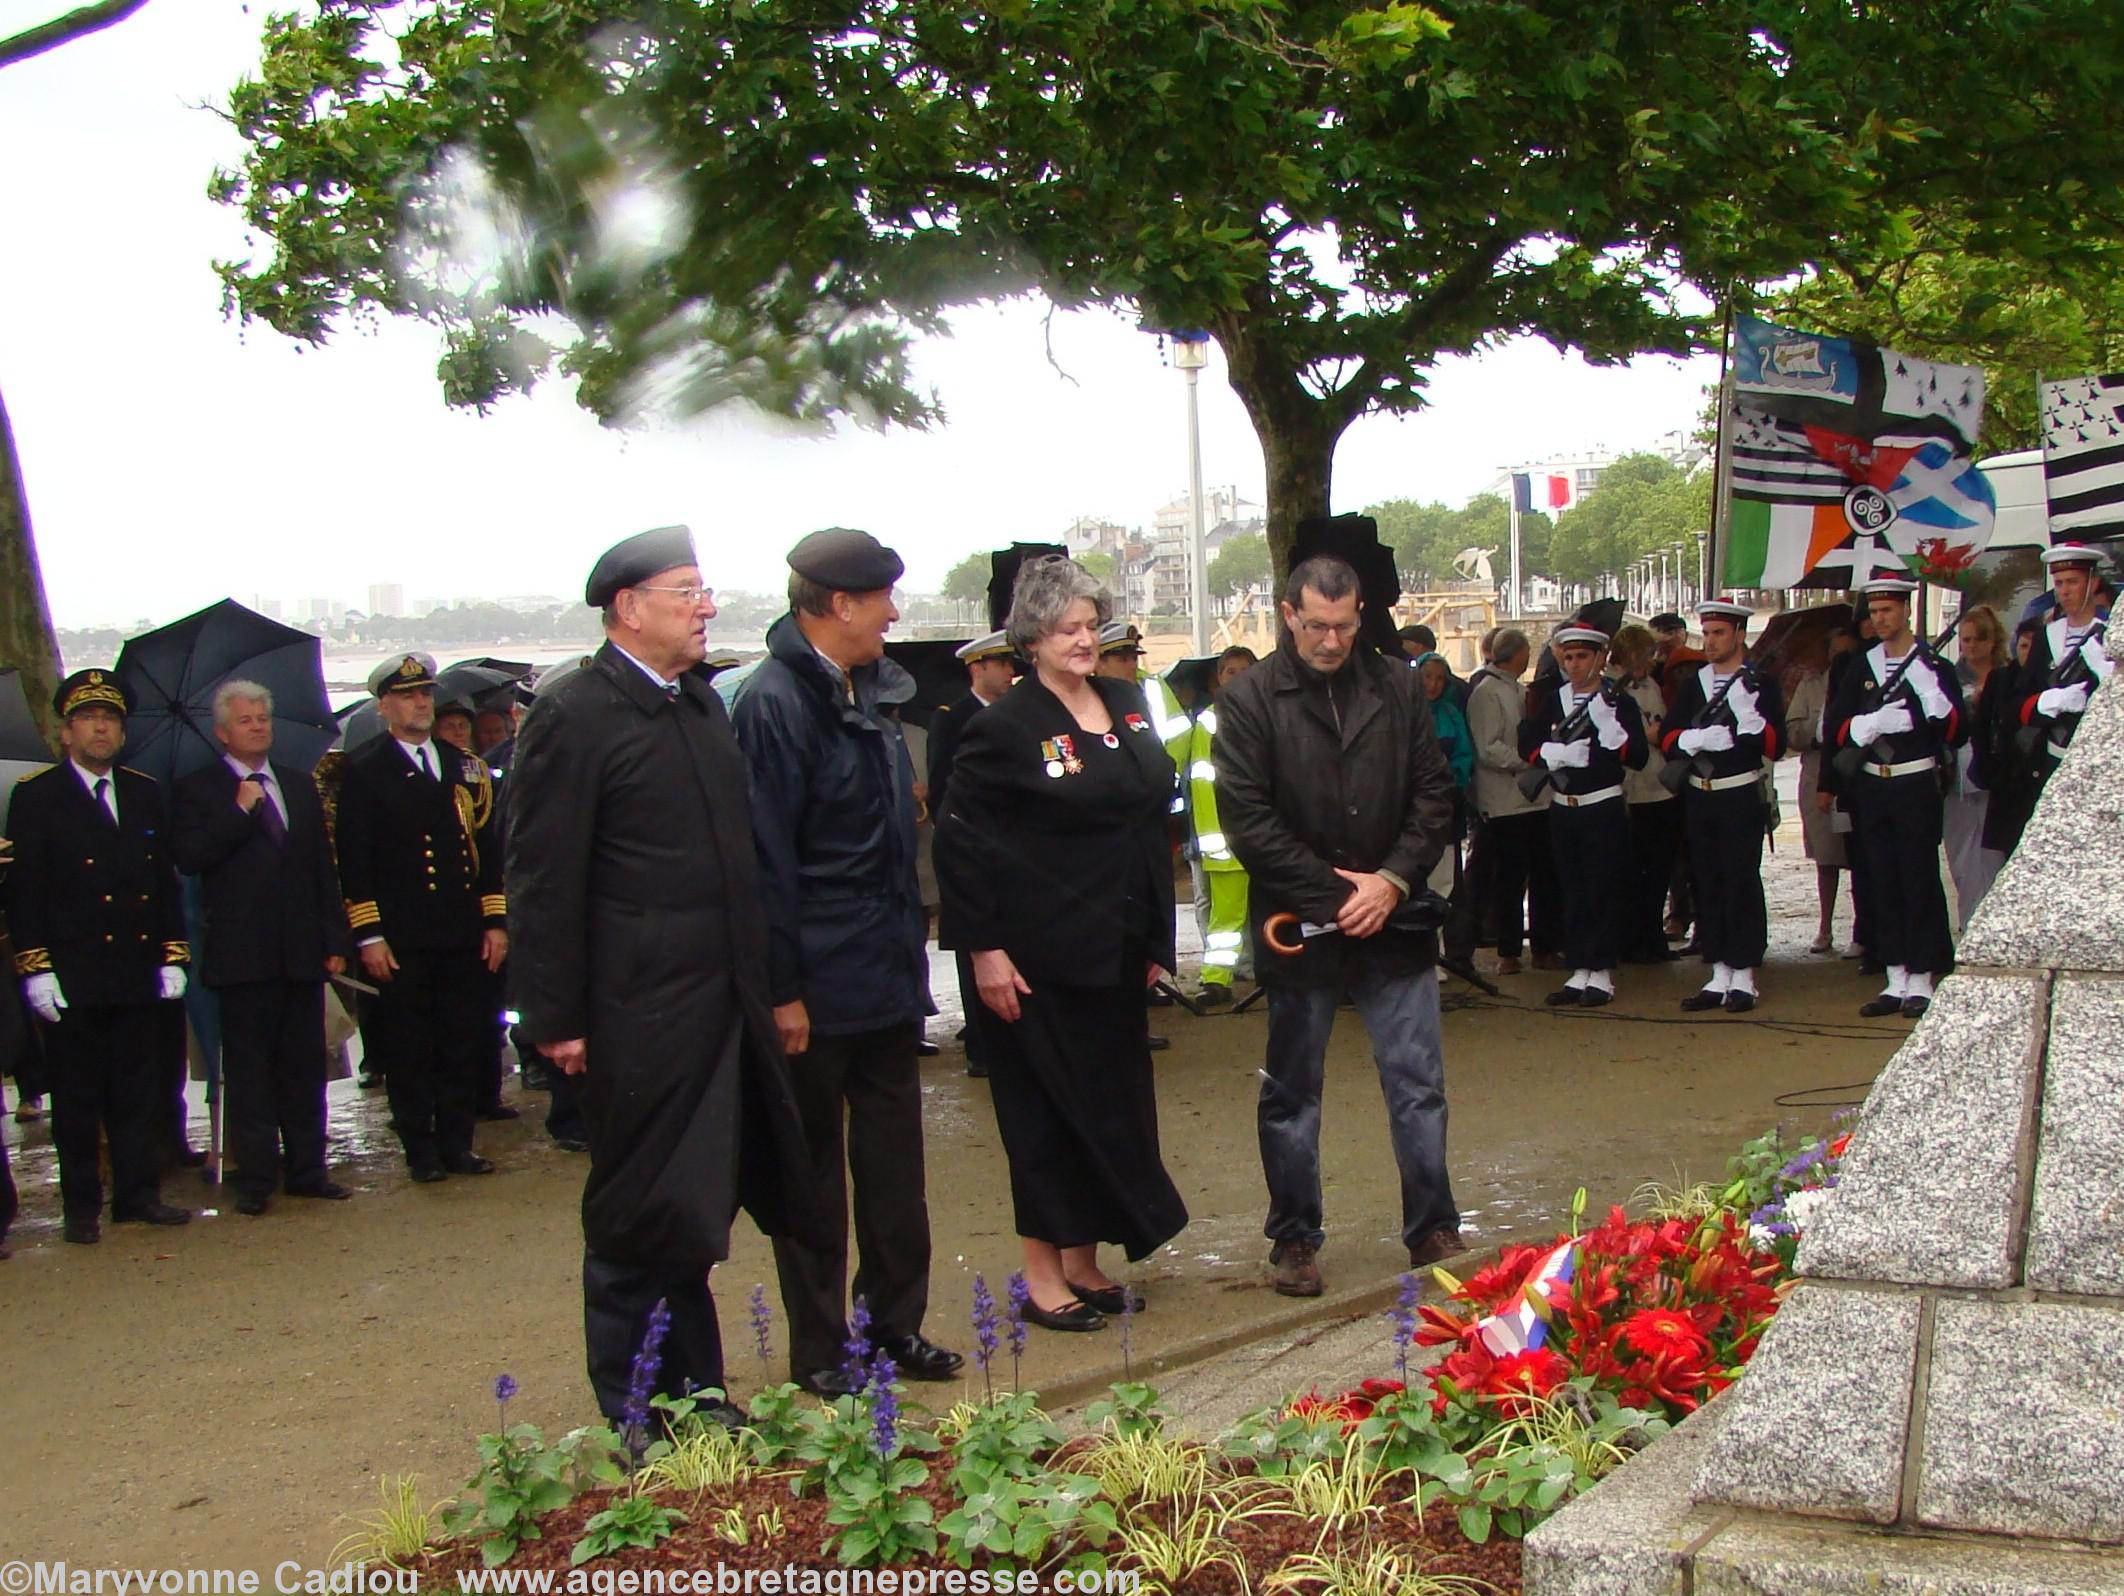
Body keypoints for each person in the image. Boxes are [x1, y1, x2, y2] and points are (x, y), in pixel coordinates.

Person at [508, 525, 822, 1437]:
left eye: (703, 590)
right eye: (686, 591)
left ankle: (697, 1392)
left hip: (719, 1007)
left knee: (695, 1204)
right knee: (636, 1211)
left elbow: (740, 866)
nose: (706, 607)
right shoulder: (574, 715)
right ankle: (636, 1407)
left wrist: (772, 987)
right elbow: (541, 876)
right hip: (634, 1013)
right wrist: (556, 1018)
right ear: (628, 607)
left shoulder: (696, 706)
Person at [730, 527, 963, 1397]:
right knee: (813, 1176)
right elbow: (766, 861)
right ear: (837, 605)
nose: (894, 615)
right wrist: (782, 989)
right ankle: (822, 1347)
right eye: (882, 600)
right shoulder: (773, 703)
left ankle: (893, 1325)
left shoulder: (869, 691)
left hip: (883, 974)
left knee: (896, 1171)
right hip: (816, 985)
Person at [934, 558, 1189, 1330]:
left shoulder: (1125, 700)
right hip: (1035, 955)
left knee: (1108, 1108)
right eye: (1066, 629)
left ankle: (1083, 1260)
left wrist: (1154, 932)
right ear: (1032, 638)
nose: (1083, 640)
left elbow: (1147, 817)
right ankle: (1041, 1277)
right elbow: (961, 843)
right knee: (1045, 1114)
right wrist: (983, 950)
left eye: (1090, 626)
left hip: (1116, 946)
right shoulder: (1003, 726)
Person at [1216, 555, 1463, 1297]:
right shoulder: (1250, 699)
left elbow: (1433, 793)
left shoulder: (1397, 685)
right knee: (1292, 1090)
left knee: (1417, 1082)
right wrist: (1336, 894)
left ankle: (1433, 1225)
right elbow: (1248, 821)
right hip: (1300, 926)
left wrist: (1391, 881)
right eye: (1318, 626)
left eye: (1346, 626)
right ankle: (1294, 1237)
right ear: (1288, 615)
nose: (1331, 641)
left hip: (1395, 918)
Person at [5, 670, 192, 1242]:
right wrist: (36, 968)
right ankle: (81, 1207)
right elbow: (25, 892)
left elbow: (162, 883)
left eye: (109, 719)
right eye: (87, 719)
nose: (100, 729)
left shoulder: (143, 791)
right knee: (78, 1098)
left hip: (135, 968)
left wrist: (173, 954)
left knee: (138, 1092)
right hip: (74, 974)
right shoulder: (37, 796)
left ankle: (138, 1196)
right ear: (66, 733)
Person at [170, 681, 355, 1215]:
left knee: (304, 1068)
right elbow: (190, 857)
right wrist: (238, 812)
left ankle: (308, 1169)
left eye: (262, 719)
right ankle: (254, 1177)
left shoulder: (296, 784)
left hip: (301, 951)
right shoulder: (199, 788)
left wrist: (334, 938)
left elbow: (321, 868)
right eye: (245, 720)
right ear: (222, 732)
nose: (256, 727)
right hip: (241, 956)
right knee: (250, 1073)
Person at [335, 652, 508, 1180]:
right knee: (409, 1046)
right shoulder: (364, 769)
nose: (420, 704)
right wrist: (369, 935)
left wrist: (494, 921)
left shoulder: (464, 766)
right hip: (402, 935)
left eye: (425, 694)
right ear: (384, 705)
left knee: (460, 1039)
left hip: (460, 929)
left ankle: (458, 1143)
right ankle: (421, 1150)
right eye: (408, 696)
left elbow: (486, 850)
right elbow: (354, 861)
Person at [1827, 578, 1967, 1018]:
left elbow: (1956, 729)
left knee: (1917, 879)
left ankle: (1922, 976)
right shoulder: (1861, 667)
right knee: (1881, 880)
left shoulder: (1933, 665)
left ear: (1906, 611)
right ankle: (1895, 976)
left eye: (1888, 610)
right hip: (1873, 785)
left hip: (1914, 783)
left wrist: (1930, 694)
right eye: (1874, 611)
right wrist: (1867, 725)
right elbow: (1835, 728)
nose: (1880, 619)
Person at [1660, 601, 1783, 1013]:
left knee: (1739, 881)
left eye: (1719, 634)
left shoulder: (1759, 683)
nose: (1710, 642)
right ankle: (1718, 971)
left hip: (1739, 792)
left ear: (1739, 636)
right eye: (1707, 633)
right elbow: (1669, 735)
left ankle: (1743, 972)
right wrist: (1693, 740)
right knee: (1707, 881)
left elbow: (1775, 744)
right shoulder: (1696, 683)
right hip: (1701, 793)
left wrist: (1750, 719)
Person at [1518, 627, 1649, 1007]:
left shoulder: (1618, 702)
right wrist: (1553, 754)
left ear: (1600, 658)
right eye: (1568, 657)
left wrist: (1610, 729)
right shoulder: (1554, 700)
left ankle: (1601, 970)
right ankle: (1579, 967)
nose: (1574, 665)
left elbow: (1638, 756)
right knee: (1572, 889)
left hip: (1602, 804)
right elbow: (1528, 742)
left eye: (1582, 657)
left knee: (1601, 889)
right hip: (1564, 806)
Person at [926, 629, 1016, 1078]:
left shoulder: (1015, 715)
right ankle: (981, 1046)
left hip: (1012, 853)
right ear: (977, 667)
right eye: (1002, 664)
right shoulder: (954, 718)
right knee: (975, 945)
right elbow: (942, 790)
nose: (1010, 672)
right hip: (973, 849)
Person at [1465, 628, 1557, 976]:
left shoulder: (1520, 690)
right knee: (1510, 877)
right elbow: (1488, 748)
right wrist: (1530, 759)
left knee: (1543, 875)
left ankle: (1544, 945)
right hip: (1505, 800)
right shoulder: (1486, 693)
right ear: (1517, 655)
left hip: (1535, 798)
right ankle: (1509, 949)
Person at [1175, 645, 1258, 1003]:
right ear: (1218, 680)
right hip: (1228, 840)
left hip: (1267, 836)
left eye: (1244, 670)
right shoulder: (1210, 720)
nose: (1237, 678)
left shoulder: (1271, 713)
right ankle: (1216, 980)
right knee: (1225, 918)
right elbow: (1202, 784)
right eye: (1230, 672)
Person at [2013, 544, 2114, 804]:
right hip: (2055, 757)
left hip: (2104, 763)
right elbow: (2020, 701)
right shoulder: (2047, 636)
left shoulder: (2112, 632)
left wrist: (2106, 676)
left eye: (2072, 582)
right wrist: (2048, 701)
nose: (2065, 591)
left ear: (2093, 583)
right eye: (2059, 583)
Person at [1609, 625, 1681, 964]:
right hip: (1631, 789)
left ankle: (1653, 937)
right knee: (1632, 871)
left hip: (1660, 786)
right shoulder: (1611, 688)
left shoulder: (1651, 685)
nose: (1651, 661)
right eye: (1646, 654)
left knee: (1659, 869)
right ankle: (1631, 938)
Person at [1945, 603, 2010, 925]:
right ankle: (1969, 919)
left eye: (1977, 639)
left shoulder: (2006, 675)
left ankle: (1994, 920)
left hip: (1995, 772)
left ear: (1991, 640)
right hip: (1958, 773)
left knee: (1993, 853)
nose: (1970, 646)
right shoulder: (1951, 676)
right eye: (1965, 639)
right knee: (1961, 854)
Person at [1785, 654, 1846, 955]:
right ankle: (1825, 926)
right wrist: (1818, 724)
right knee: (1826, 855)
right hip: (1817, 772)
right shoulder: (1810, 683)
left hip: (1854, 770)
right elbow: (1793, 733)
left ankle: (1867, 928)